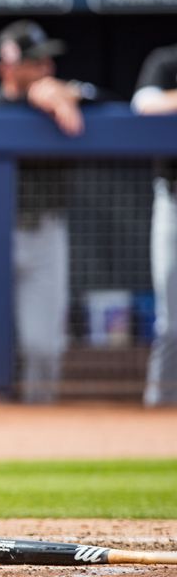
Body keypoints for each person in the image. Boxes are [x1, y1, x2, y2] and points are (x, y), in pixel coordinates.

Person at [0, 20, 104, 404]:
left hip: (44, 232)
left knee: (44, 346)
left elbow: (109, 99)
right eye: (34, 62)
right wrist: (34, 101)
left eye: (46, 62)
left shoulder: (62, 97)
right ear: (7, 68)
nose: (44, 69)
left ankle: (40, 425)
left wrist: (61, 95)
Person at [131, 44, 177, 406]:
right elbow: (144, 104)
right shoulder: (165, 61)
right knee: (172, 322)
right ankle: (161, 405)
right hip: (173, 198)